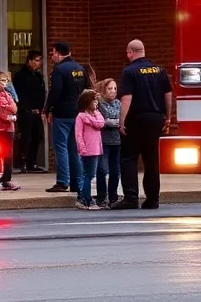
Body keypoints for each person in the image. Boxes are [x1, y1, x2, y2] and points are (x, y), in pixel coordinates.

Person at [111, 39, 173, 210]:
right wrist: (168, 118)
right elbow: (168, 95)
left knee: (128, 158)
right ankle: (153, 199)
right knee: (152, 159)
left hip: (136, 119)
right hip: (155, 119)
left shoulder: (129, 72)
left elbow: (126, 98)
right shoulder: (159, 70)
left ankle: (131, 198)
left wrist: (121, 121)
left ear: (130, 52)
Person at [43, 41, 89, 194]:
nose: (52, 57)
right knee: (74, 149)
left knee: (60, 147)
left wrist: (47, 109)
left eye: (53, 53)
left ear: (58, 53)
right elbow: (86, 90)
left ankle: (63, 181)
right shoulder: (80, 69)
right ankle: (77, 182)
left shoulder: (59, 70)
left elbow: (55, 92)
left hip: (62, 114)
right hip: (77, 113)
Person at [12, 50, 47, 172]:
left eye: (40, 60)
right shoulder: (20, 76)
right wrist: (26, 108)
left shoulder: (38, 76)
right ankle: (23, 162)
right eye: (37, 60)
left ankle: (33, 162)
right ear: (29, 61)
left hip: (37, 111)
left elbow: (42, 93)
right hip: (26, 112)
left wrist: (41, 108)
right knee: (26, 137)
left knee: (37, 136)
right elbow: (19, 94)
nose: (39, 63)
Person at [73, 88, 105, 210]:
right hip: (87, 150)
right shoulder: (81, 117)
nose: (96, 103)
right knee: (88, 175)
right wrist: (82, 148)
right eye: (94, 101)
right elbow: (78, 134)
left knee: (90, 175)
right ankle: (88, 199)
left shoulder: (97, 115)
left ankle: (83, 197)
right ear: (87, 102)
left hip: (97, 149)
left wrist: (94, 116)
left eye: (97, 101)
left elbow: (101, 123)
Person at [98, 78, 122, 207]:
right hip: (103, 141)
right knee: (102, 169)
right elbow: (101, 120)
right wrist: (112, 122)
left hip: (116, 141)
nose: (113, 91)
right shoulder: (100, 104)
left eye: (115, 88)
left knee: (115, 170)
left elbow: (121, 118)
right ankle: (101, 197)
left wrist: (115, 122)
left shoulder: (118, 103)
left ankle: (113, 197)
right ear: (103, 90)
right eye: (109, 88)